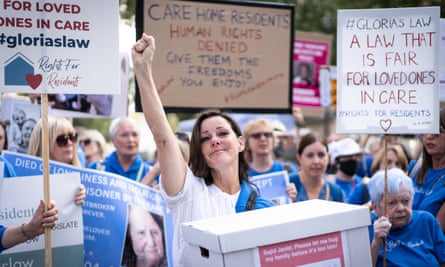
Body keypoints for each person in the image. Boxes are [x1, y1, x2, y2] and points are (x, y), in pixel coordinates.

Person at [132, 33, 275, 267]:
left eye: (222, 133)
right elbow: (164, 139)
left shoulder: (263, 207)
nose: (215, 140)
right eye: (206, 138)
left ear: (240, 143)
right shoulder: (188, 192)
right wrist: (142, 68)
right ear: (199, 151)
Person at [368, 168, 445, 267]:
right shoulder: (367, 227)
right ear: (375, 206)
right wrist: (376, 244)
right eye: (391, 203)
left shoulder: (426, 221)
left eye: (405, 201)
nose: (401, 208)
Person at [27, 116, 85, 206]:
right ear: (44, 145)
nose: (69, 143)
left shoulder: (83, 181)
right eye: (62, 140)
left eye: (72, 137)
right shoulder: (26, 183)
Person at [243, 118, 297, 201]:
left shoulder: (290, 171)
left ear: (273, 140)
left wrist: (295, 198)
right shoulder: (241, 175)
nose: (263, 139)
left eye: (267, 135)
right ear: (247, 142)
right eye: (256, 135)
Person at [411, 108, 445, 232]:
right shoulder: (414, 168)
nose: (429, 137)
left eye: (437, 132)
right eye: (427, 130)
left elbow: (435, 233)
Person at [88, 117, 150, 182]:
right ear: (112, 140)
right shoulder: (96, 169)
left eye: (135, 135)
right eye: (124, 135)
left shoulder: (150, 172)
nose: (131, 140)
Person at [290, 132, 346, 202]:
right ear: (299, 157)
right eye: (310, 155)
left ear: (328, 157)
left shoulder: (336, 193)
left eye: (321, 155)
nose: (316, 161)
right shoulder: (287, 185)